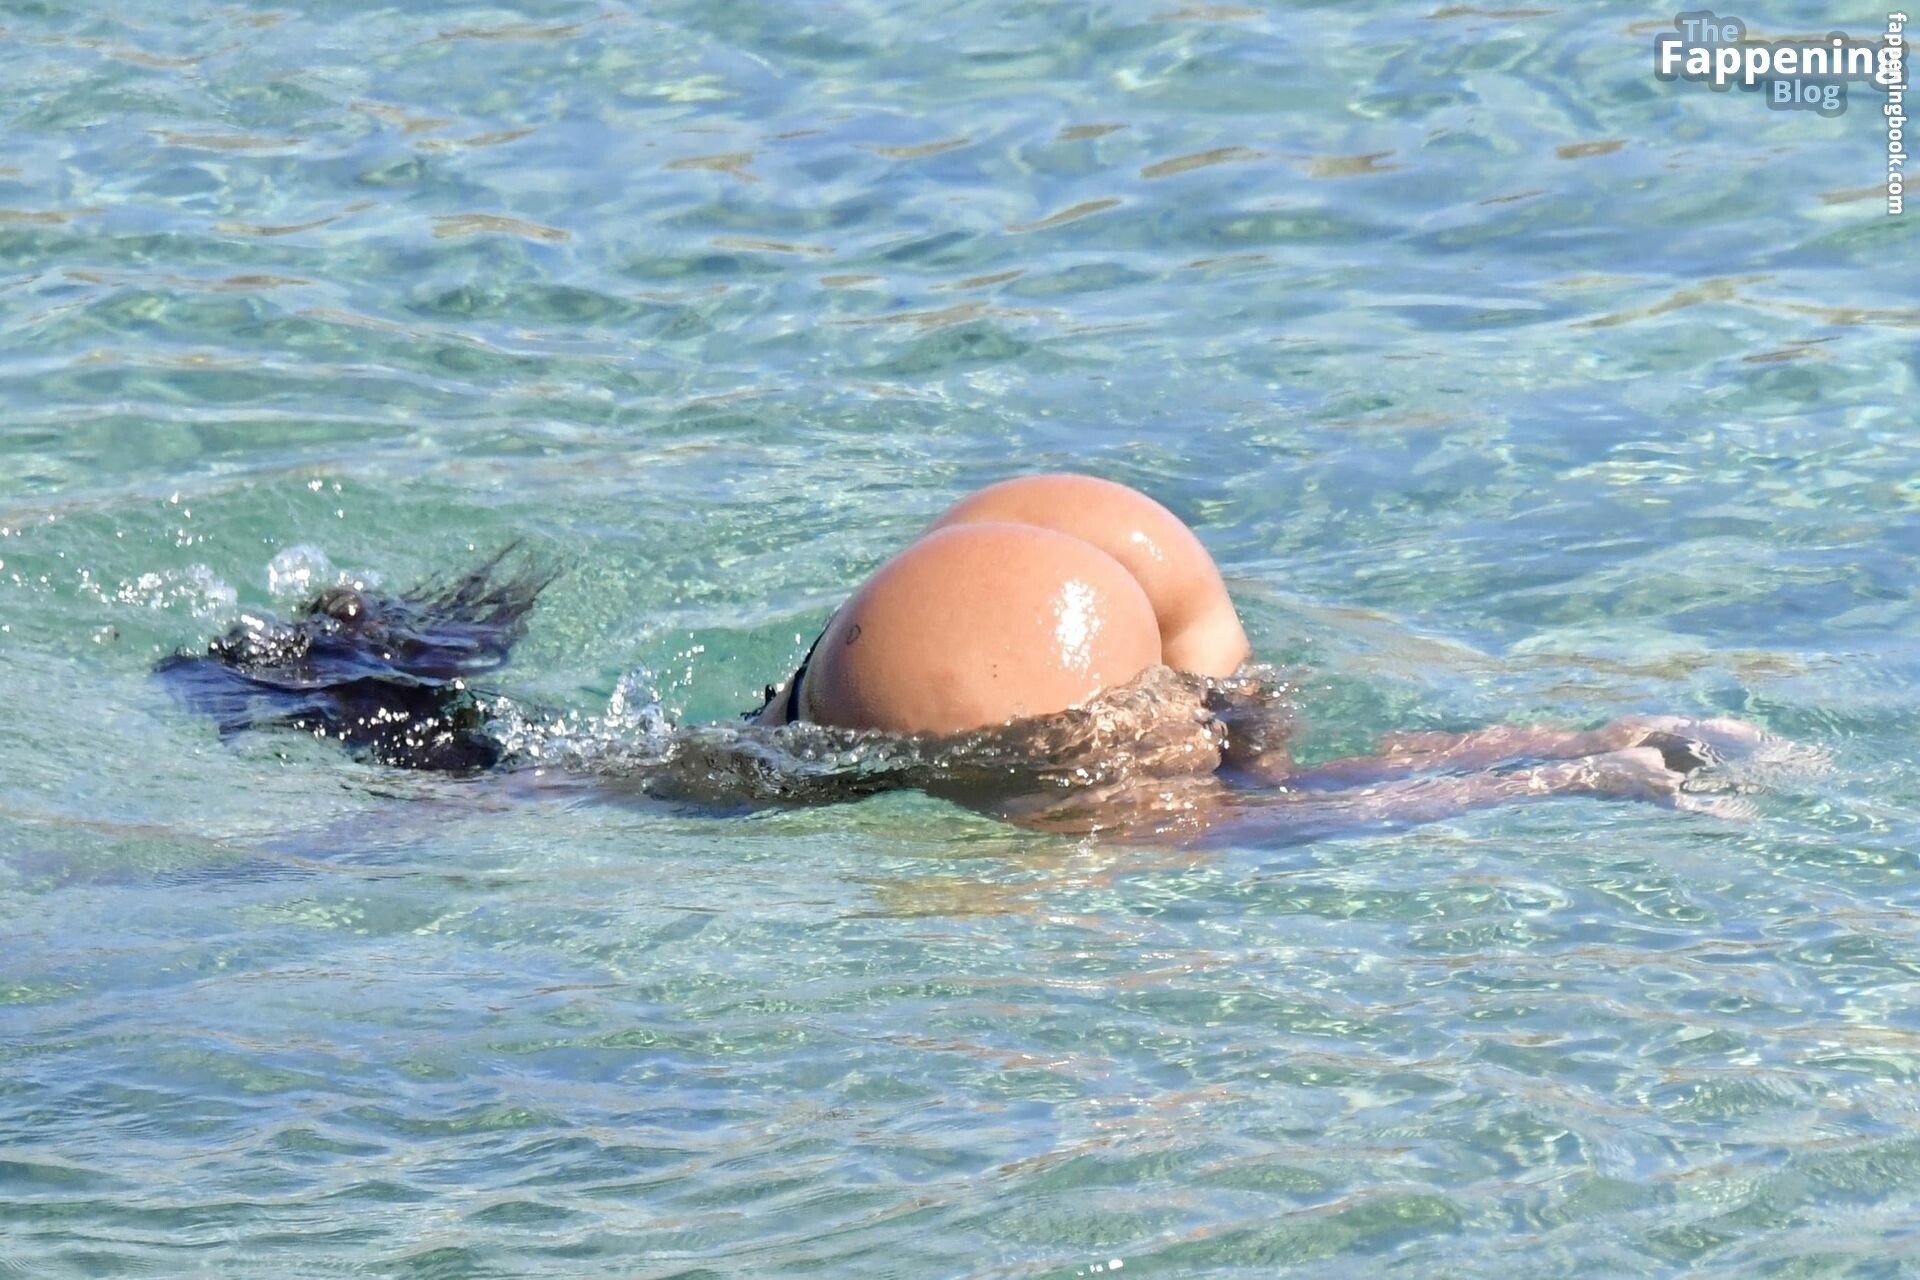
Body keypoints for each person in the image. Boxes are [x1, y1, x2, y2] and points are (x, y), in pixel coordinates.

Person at [157, 474, 1769, 837]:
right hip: (1077, 548)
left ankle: (1598, 759)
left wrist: (1556, 772)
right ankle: (1602, 752)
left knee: (589, 789)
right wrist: (1548, 757)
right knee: (1251, 805)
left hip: (997, 617)